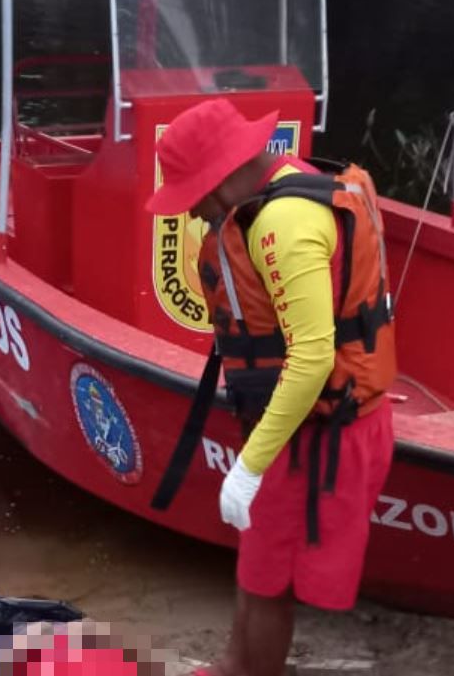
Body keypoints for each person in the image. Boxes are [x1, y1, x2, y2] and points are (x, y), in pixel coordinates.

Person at [146, 99, 397, 676]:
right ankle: (236, 661)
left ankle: (247, 669)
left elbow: (312, 359)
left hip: (320, 430)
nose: (196, 213)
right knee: (257, 568)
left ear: (224, 174)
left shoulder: (284, 225)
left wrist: (250, 465)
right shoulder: (288, 180)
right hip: (303, 420)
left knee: (266, 583)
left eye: (196, 195)